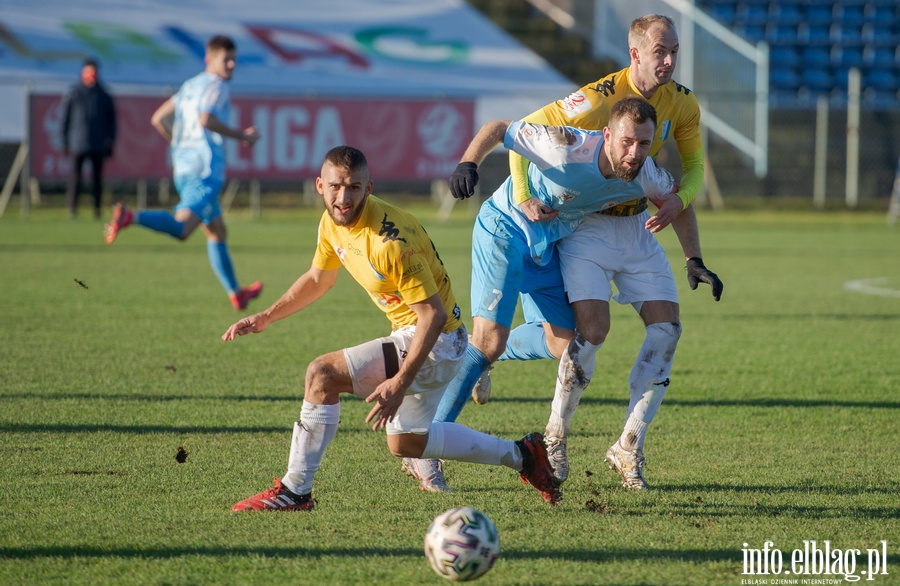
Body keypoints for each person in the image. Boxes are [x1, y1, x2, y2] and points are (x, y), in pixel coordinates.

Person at [456, 14, 725, 489]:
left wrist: (693, 256)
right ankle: (533, 437)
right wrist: (516, 192)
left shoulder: (678, 107)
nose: (668, 60)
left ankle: (628, 446)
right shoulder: (595, 103)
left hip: (622, 228)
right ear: (635, 54)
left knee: (658, 332)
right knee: (578, 334)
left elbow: (690, 174)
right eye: (659, 51)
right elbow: (519, 133)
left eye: (674, 52)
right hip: (569, 227)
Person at [223, 145, 561, 511]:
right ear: (319, 185)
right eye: (335, 187)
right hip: (431, 337)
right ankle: (523, 455)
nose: (343, 197)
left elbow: (431, 316)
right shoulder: (331, 222)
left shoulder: (391, 241)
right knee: (406, 443)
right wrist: (265, 317)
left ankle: (295, 490)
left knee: (322, 375)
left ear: (369, 188)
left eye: (353, 188)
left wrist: (399, 383)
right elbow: (319, 279)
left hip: (436, 341)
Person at [402, 97, 676, 493]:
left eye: (644, 144)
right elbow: (499, 128)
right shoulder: (566, 145)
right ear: (607, 135)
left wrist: (693, 254)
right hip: (504, 231)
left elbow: (678, 198)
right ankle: (425, 451)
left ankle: (473, 358)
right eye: (627, 141)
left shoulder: (644, 172)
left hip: (548, 243)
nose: (634, 153)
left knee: (563, 342)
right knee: (490, 339)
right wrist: (468, 164)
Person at [103, 35, 263, 311]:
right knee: (181, 228)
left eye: (234, 59)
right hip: (204, 170)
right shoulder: (217, 85)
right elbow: (206, 119)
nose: (232, 64)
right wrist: (241, 136)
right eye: (226, 59)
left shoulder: (190, 85)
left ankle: (236, 292)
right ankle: (131, 216)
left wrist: (181, 144)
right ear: (209, 59)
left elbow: (159, 119)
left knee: (217, 232)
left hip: (184, 166)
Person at [61, 57, 117, 220]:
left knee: (97, 180)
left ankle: (97, 210)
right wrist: (65, 141)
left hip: (98, 143)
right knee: (75, 179)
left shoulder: (104, 94)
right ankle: (72, 210)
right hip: (77, 142)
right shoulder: (74, 93)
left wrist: (110, 141)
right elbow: (66, 119)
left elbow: (111, 122)